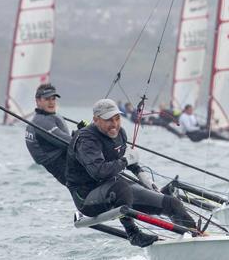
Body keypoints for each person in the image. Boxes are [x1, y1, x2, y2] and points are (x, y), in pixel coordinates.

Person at [65, 99, 197, 247]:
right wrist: (126, 161)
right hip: (87, 197)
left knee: (172, 203)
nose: (114, 124)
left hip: (116, 188)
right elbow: (100, 172)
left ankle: (195, 236)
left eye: (117, 118)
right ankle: (133, 234)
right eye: (109, 120)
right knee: (121, 187)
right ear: (96, 120)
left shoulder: (119, 133)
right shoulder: (86, 140)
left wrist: (141, 174)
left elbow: (126, 159)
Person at [24, 83, 73, 186]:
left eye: (53, 99)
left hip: (68, 165)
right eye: (47, 99)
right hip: (65, 169)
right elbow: (68, 142)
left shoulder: (48, 117)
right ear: (38, 101)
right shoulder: (42, 122)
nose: (51, 102)